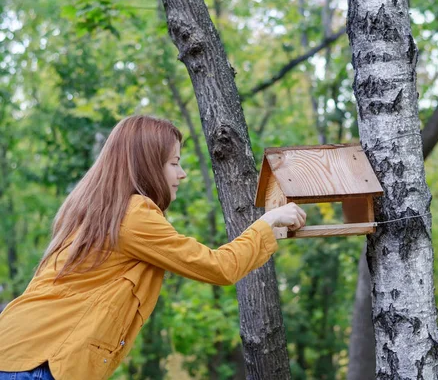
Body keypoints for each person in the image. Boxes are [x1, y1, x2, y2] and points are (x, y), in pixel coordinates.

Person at [0, 115, 306, 380]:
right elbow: (219, 267)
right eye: (174, 163)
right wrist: (268, 224)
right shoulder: (133, 214)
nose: (182, 174)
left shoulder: (101, 212)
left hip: (20, 351)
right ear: (146, 166)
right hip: (39, 362)